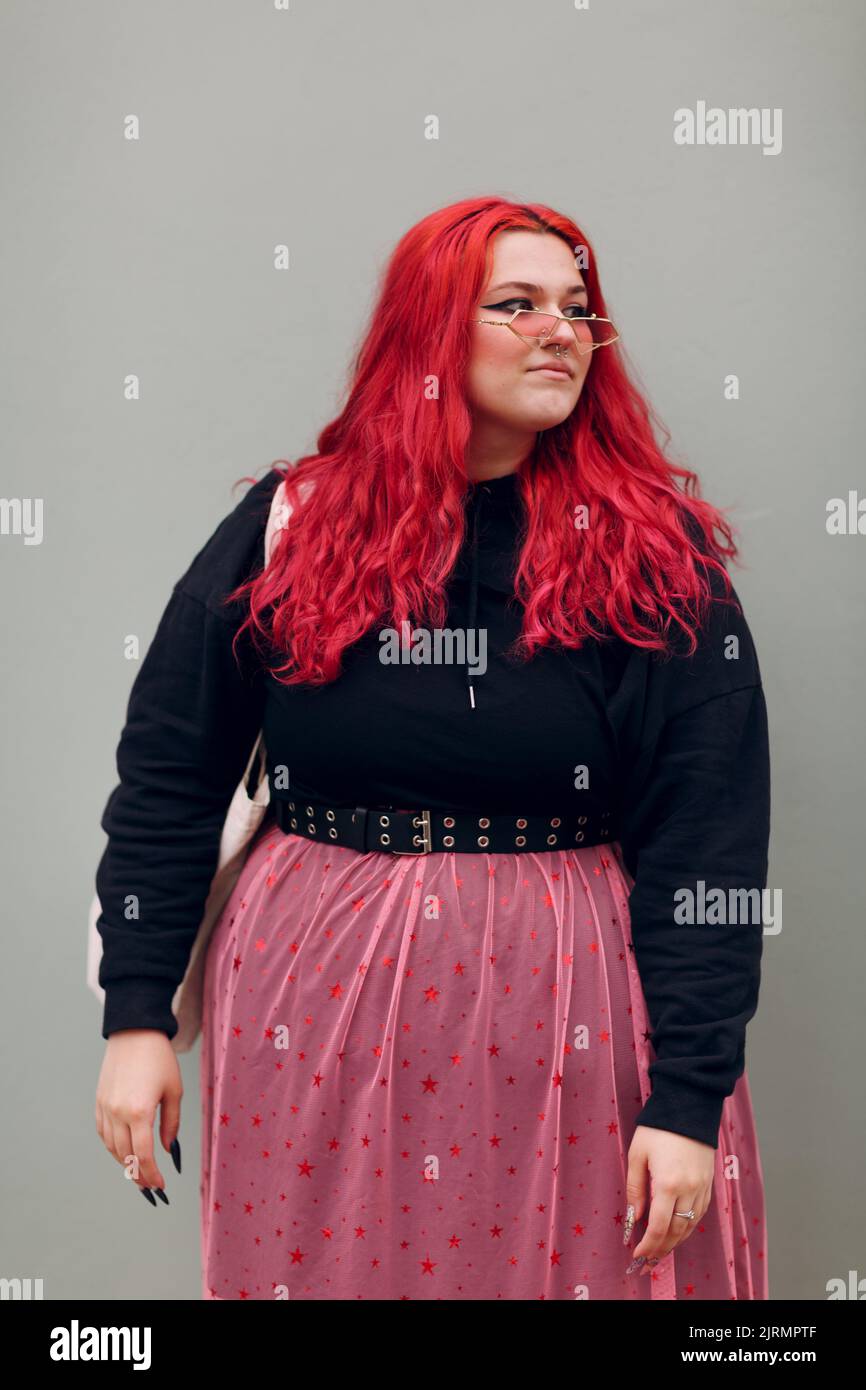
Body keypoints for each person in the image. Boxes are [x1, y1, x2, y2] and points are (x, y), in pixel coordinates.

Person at [94, 195, 771, 1300]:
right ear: (429, 334)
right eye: (516, 305)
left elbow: (710, 839)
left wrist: (686, 1100)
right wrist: (135, 1017)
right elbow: (169, 772)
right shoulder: (292, 524)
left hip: (568, 1003)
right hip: (307, 997)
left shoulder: (654, 555)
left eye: (576, 309)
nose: (560, 331)